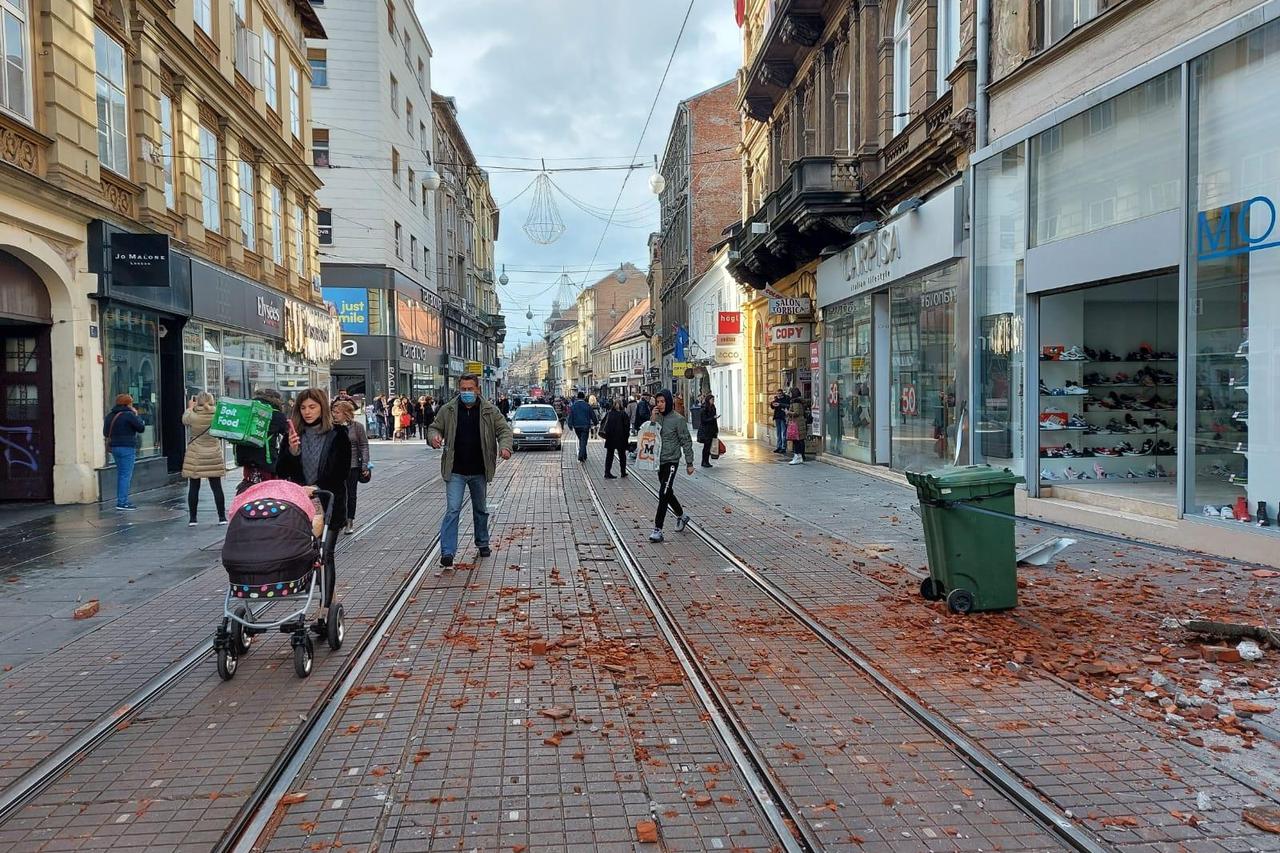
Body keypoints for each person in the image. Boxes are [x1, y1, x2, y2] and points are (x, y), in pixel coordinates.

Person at [427, 373, 513, 567]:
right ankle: (447, 552)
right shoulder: (448, 410)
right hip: (455, 469)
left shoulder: (489, 411)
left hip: (479, 468)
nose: (466, 393)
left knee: (480, 509)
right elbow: (434, 427)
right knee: (452, 509)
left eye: (470, 389)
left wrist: (506, 446)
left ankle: (482, 542)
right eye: (463, 389)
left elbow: (504, 430)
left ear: (477, 390)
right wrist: (434, 437)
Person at [277, 387, 351, 607]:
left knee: (326, 553)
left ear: (322, 408)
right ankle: (318, 594)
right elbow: (281, 471)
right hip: (301, 505)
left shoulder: (338, 434)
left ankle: (326, 606)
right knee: (306, 554)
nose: (307, 412)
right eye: (303, 408)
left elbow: (341, 472)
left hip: (329, 503)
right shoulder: (294, 435)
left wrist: (317, 487)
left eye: (312, 407)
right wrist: (291, 451)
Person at [647, 389, 694, 543]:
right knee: (667, 492)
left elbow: (686, 441)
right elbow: (649, 436)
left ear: (668, 402)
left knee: (663, 493)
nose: (660, 405)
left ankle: (658, 529)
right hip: (659, 461)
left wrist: (689, 462)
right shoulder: (657, 418)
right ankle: (682, 516)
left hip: (672, 461)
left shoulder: (678, 420)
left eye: (662, 401)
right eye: (657, 402)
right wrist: (652, 419)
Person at [181, 392, 227, 525]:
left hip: (196, 454)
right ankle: (222, 517)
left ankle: (193, 519)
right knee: (217, 487)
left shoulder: (193, 415)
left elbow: (184, 420)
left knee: (194, 487)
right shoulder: (218, 414)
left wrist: (190, 407)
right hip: (213, 453)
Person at [234, 387, 289, 492]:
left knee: (249, 484)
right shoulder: (276, 414)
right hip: (265, 460)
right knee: (267, 489)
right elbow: (285, 431)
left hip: (245, 457)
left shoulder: (248, 410)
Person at [331, 400, 369, 534]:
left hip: (352, 466)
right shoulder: (331, 427)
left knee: (351, 494)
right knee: (337, 494)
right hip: (335, 466)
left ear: (346, 413)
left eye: (337, 413)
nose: (334, 415)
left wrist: (364, 465)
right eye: (333, 412)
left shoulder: (357, 427)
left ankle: (349, 520)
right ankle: (339, 519)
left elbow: (364, 445)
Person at [103, 393, 145, 511]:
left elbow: (106, 433)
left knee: (121, 474)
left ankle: (121, 500)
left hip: (114, 447)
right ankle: (122, 502)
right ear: (128, 404)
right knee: (125, 475)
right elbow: (141, 428)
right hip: (127, 447)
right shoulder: (129, 415)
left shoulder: (110, 415)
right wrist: (136, 415)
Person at [600, 398, 631, 479]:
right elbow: (627, 427)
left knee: (609, 455)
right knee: (622, 456)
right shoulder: (623, 414)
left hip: (610, 438)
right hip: (621, 438)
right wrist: (626, 437)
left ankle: (607, 472)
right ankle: (623, 472)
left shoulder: (609, 413)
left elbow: (603, 423)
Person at [567, 391, 597, 462]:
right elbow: (592, 415)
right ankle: (581, 455)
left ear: (577, 398)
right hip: (585, 426)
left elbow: (570, 416)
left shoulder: (573, 406)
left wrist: (570, 425)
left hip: (577, 426)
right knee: (583, 441)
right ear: (584, 398)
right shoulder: (587, 405)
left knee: (581, 440)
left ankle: (584, 455)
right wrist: (595, 422)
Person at [697, 392, 719, 469]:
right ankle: (704, 461)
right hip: (706, 431)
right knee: (706, 447)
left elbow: (714, 421)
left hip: (712, 430)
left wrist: (716, 430)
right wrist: (713, 418)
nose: (713, 401)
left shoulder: (713, 407)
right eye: (712, 399)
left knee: (709, 447)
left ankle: (707, 461)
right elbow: (703, 420)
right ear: (708, 400)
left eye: (714, 399)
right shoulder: (704, 409)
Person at [787, 388, 807, 465]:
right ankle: (800, 456)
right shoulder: (799, 401)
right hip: (799, 422)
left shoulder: (795, 402)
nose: (789, 394)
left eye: (790, 393)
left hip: (797, 423)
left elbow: (796, 413)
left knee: (797, 441)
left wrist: (788, 412)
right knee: (799, 440)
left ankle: (797, 456)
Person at [770, 389, 789, 453]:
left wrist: (780, 404)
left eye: (780, 393)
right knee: (778, 432)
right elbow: (772, 407)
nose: (779, 394)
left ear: (782, 393)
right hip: (777, 417)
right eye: (778, 393)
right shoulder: (776, 399)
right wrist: (772, 404)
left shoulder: (786, 399)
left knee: (783, 432)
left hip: (783, 417)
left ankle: (784, 447)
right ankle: (778, 446)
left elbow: (788, 406)